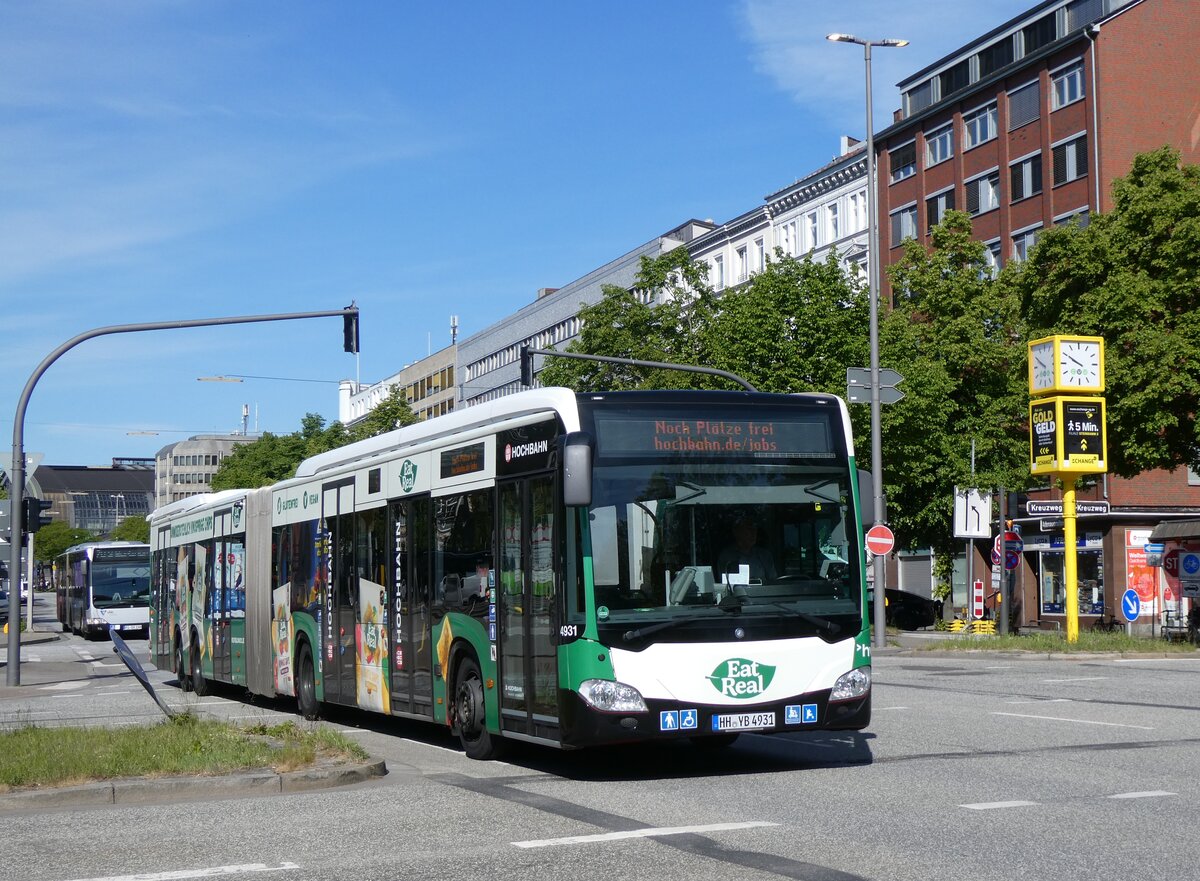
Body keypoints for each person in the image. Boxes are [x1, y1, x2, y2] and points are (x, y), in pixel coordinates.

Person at [717, 516, 777, 583]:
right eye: (749, 529)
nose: (753, 533)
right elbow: (724, 585)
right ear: (737, 532)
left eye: (755, 529)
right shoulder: (727, 556)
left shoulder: (765, 555)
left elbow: (773, 582)